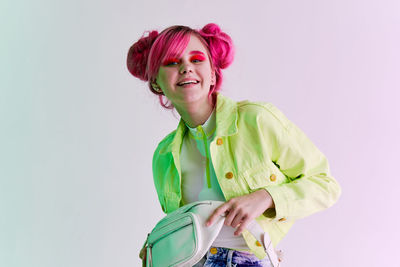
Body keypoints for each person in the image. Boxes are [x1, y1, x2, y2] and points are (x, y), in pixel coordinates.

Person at [127, 23, 341, 267]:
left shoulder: (256, 120)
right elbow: (187, 229)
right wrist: (160, 245)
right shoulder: (163, 155)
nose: (186, 67)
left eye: (196, 59)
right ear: (156, 83)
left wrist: (266, 197)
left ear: (213, 75)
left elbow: (325, 184)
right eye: (172, 62)